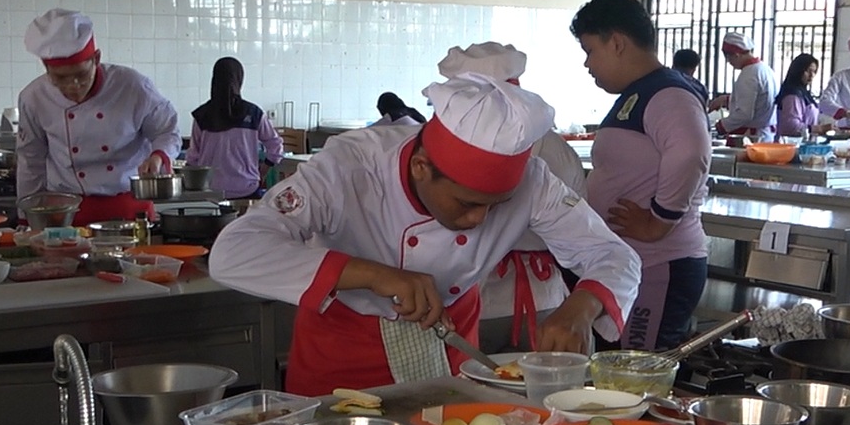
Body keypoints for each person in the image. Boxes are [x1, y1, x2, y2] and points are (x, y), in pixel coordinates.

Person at [208, 73, 640, 395]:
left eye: (496, 206)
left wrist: (581, 307)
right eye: (467, 203)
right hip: (342, 358)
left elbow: (614, 255)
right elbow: (234, 251)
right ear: (421, 167)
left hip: (455, 353)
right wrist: (373, 274)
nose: (479, 219)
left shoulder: (534, 181)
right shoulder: (349, 168)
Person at [573, 0, 712, 350]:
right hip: (633, 265)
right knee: (614, 372)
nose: (587, 64)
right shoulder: (641, 93)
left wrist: (658, 221)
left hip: (659, 264)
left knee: (635, 374)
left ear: (617, 43)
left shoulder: (668, 93)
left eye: (590, 50)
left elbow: (691, 152)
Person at [433, 42, 589, 353]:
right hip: (547, 300)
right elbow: (582, 223)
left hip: (475, 301)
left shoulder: (445, 150)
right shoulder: (557, 146)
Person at [16, 9, 180, 225]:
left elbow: (167, 130)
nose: (73, 86)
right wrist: (27, 220)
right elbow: (30, 161)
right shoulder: (34, 97)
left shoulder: (132, 86)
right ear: (46, 68)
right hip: (66, 212)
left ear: (96, 58)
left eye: (81, 75)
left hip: (129, 207)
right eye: (60, 78)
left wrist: (158, 155)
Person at [186, 57, 285, 199]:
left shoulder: (202, 116)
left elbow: (193, 158)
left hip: (211, 192)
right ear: (240, 79)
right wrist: (262, 171)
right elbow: (275, 146)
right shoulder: (254, 114)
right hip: (247, 189)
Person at [708, 32, 778, 142]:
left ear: (736, 55)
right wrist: (727, 99)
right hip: (766, 133)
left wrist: (720, 126)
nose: (729, 62)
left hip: (750, 137)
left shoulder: (749, 75)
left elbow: (744, 114)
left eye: (729, 58)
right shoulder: (765, 69)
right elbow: (758, 101)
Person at [775, 53, 821, 137]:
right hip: (793, 142)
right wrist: (819, 129)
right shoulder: (792, 95)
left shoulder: (803, 92)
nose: (812, 75)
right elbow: (791, 127)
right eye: (808, 71)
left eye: (814, 72)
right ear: (798, 71)